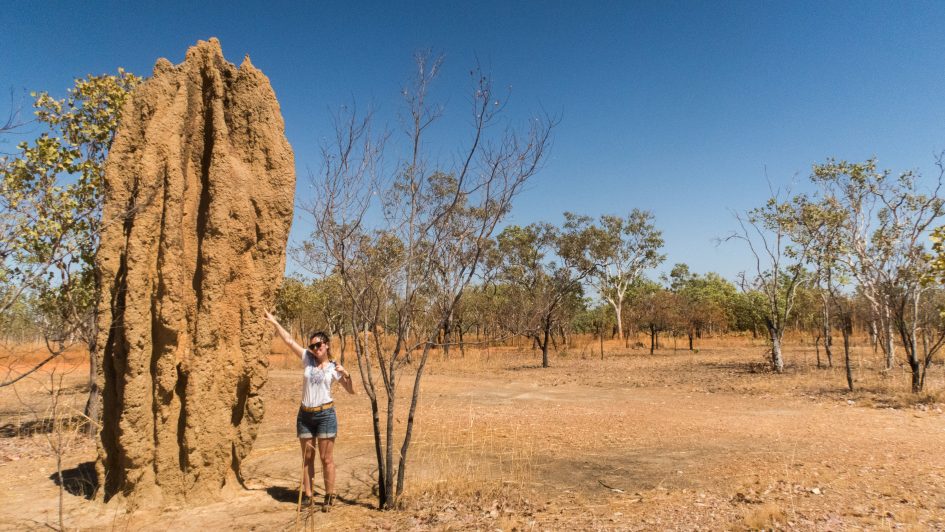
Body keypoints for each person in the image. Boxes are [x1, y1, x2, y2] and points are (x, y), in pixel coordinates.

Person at [264, 311, 355, 511]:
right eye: (312, 346)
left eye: (318, 345)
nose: (315, 349)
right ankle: (308, 496)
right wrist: (274, 322)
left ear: (326, 345)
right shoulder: (307, 359)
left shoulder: (334, 367)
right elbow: (289, 341)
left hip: (325, 415)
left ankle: (329, 496)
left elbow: (351, 391)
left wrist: (346, 374)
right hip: (305, 415)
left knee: (326, 458)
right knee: (307, 458)